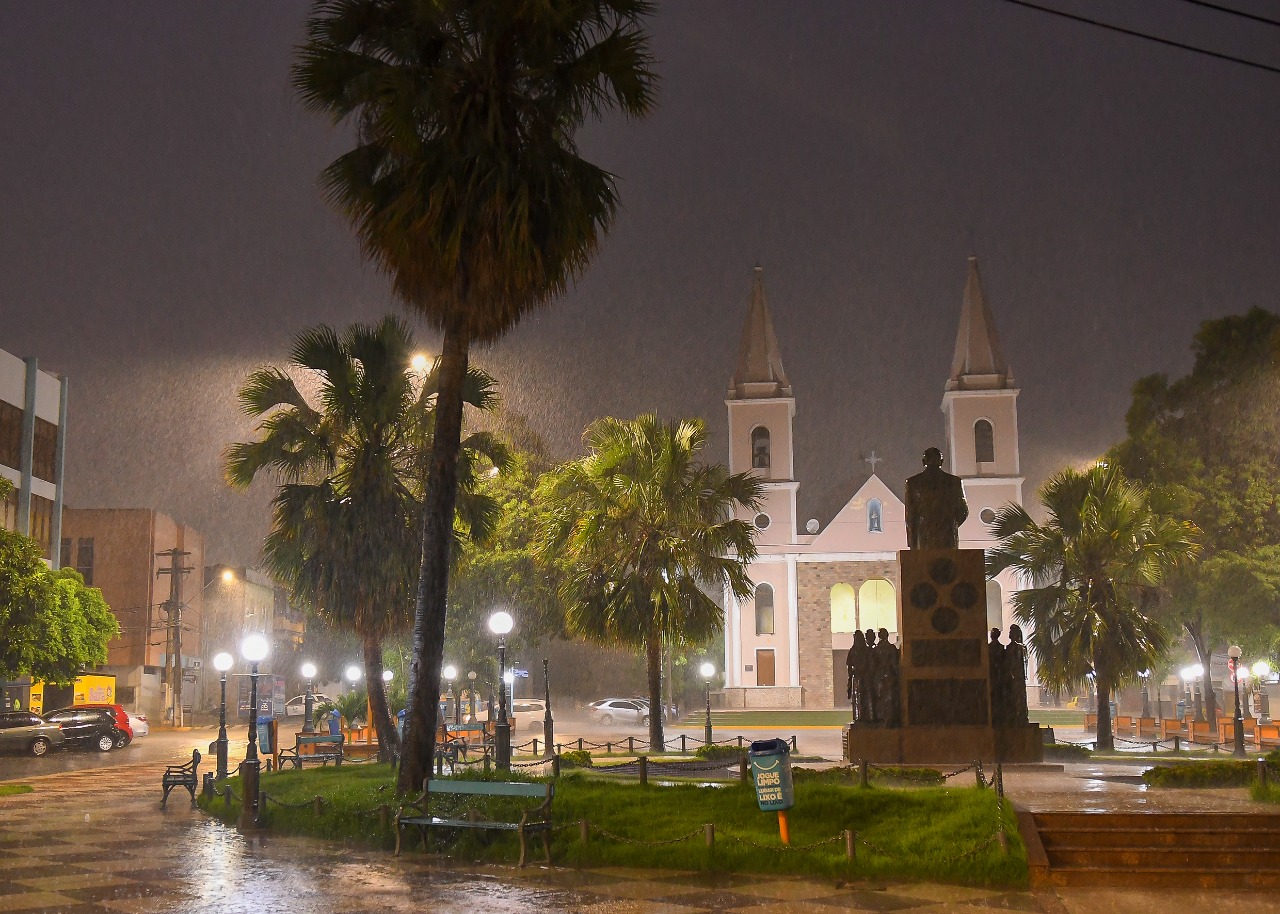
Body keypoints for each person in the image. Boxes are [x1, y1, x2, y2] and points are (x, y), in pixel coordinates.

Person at [904, 447, 969, 549]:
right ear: (941, 461)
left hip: (924, 536)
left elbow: (910, 516)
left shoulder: (913, 483)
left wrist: (913, 543)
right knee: (948, 563)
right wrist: (949, 524)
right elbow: (963, 511)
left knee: (926, 564)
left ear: (923, 461)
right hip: (948, 537)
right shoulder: (954, 482)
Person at [873, 628, 901, 727]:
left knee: (880, 697)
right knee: (889, 697)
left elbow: (873, 665)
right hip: (888, 675)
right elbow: (894, 663)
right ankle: (888, 718)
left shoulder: (876, 649)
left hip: (879, 675)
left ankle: (882, 718)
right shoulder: (891, 648)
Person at [846, 630, 871, 723]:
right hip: (856, 677)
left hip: (864, 677)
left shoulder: (865, 651)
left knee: (864, 698)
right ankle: (858, 717)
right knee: (857, 698)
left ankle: (865, 717)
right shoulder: (853, 650)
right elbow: (849, 666)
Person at [1007, 625, 1030, 725]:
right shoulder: (1012, 647)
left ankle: (1019, 716)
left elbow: (1020, 663)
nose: (1009, 634)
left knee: (1018, 697)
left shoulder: (1018, 648)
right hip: (1015, 677)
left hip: (1017, 677)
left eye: (1011, 632)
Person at [988, 628, 1007, 726]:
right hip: (997, 676)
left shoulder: (990, 648)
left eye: (992, 633)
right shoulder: (1000, 648)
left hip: (994, 675)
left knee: (995, 697)